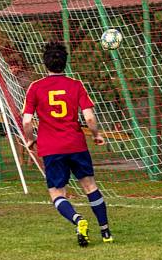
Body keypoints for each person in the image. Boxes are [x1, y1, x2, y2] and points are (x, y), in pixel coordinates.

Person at [22, 41, 112, 246]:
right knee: (90, 186)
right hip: (76, 144)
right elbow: (89, 118)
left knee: (57, 192)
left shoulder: (35, 87)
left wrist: (30, 139)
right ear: (65, 63)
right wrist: (96, 134)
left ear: (45, 64)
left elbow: (27, 121)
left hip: (51, 147)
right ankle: (105, 231)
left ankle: (78, 219)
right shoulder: (75, 85)